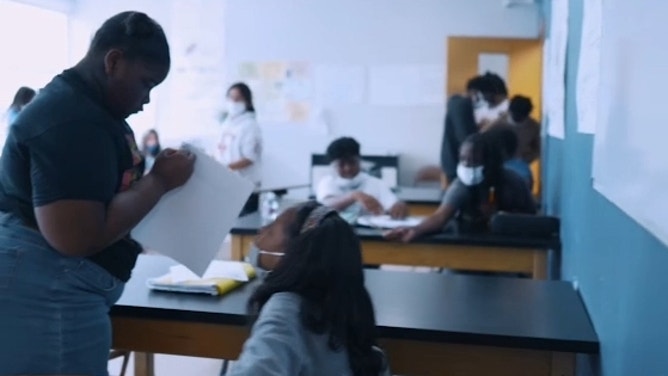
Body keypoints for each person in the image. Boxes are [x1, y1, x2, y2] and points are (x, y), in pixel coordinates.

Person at [0, 11, 195, 376]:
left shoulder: (88, 110)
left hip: (59, 287)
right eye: (145, 83)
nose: (147, 100)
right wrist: (158, 182)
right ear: (114, 61)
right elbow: (76, 237)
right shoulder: (69, 119)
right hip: (48, 291)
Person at [229, 201, 390, 376]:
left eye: (271, 230)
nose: (260, 233)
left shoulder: (285, 309)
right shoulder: (351, 304)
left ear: (294, 253)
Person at [385, 132, 535, 242]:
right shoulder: (461, 184)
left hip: (507, 244)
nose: (467, 166)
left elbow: (531, 217)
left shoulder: (512, 182)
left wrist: (501, 216)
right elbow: (440, 216)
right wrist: (414, 230)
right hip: (467, 240)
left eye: (474, 161)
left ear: (489, 162)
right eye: (463, 160)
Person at [315, 137, 408, 219]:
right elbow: (326, 206)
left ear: (359, 160)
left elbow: (392, 204)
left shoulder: (375, 183)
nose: (347, 168)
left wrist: (398, 206)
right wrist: (354, 195)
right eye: (341, 164)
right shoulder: (327, 182)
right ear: (333, 165)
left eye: (352, 162)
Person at [218, 82, 262, 215]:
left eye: (238, 99)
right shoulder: (227, 123)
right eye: (231, 98)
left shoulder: (250, 125)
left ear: (247, 102)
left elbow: (249, 158)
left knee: (241, 230)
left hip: (245, 190)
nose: (233, 102)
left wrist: (225, 168)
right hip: (227, 187)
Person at [440, 95, 478, 184]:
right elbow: (466, 139)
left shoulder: (455, 105)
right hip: (463, 167)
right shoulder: (461, 107)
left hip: (451, 163)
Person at [505, 95, 541, 165]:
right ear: (510, 110)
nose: (517, 118)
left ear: (527, 115)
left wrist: (525, 159)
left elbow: (537, 149)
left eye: (520, 117)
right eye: (515, 115)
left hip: (519, 166)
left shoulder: (534, 127)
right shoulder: (498, 124)